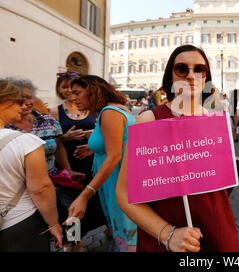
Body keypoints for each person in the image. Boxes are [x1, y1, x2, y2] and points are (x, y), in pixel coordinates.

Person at [116, 44, 239, 252]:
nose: (191, 75)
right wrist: (167, 234)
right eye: (182, 69)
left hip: (216, 229)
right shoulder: (150, 120)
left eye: (199, 69)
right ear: (170, 77)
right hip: (168, 234)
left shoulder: (215, 120)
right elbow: (124, 193)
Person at [68, 75, 137, 251]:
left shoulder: (109, 113)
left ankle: (72, 242)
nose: (72, 98)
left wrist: (85, 195)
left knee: (126, 230)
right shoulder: (113, 110)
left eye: (77, 93)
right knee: (125, 228)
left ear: (93, 90)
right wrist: (94, 149)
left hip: (116, 182)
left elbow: (114, 156)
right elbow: (121, 143)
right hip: (116, 180)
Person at [0, 80, 63, 251]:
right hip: (19, 222)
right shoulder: (25, 142)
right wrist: (53, 224)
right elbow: (40, 188)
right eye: (18, 100)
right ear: (3, 101)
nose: (23, 106)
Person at [49, 73, 106, 251]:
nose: (69, 92)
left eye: (74, 89)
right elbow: (53, 142)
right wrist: (65, 138)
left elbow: (106, 134)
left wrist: (94, 142)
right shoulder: (54, 111)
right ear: (59, 89)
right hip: (68, 165)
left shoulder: (92, 108)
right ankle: (74, 242)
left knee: (97, 200)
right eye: (65, 87)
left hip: (92, 163)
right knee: (70, 205)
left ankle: (107, 229)